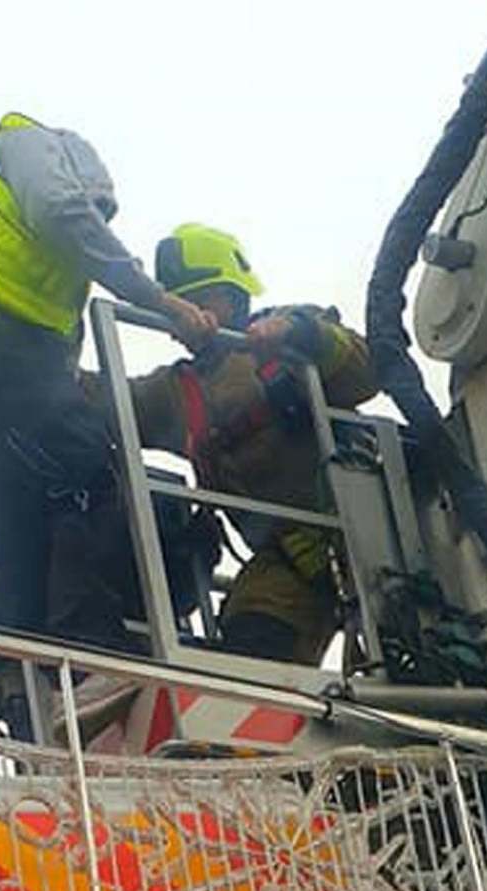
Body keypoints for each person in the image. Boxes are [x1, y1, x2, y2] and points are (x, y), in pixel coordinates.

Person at [0, 113, 217, 737]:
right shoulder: (29, 144)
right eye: (100, 207)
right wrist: (162, 303)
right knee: (88, 466)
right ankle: (96, 662)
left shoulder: (45, 276)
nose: (101, 225)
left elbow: (61, 378)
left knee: (29, 549)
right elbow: (63, 211)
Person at [122, 223, 377, 665]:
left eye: (198, 301)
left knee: (419, 660)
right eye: (175, 307)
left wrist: (300, 333)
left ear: (232, 297)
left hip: (376, 543)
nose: (184, 316)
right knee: (248, 647)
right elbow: (105, 402)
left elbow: (365, 371)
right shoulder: (176, 392)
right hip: (290, 562)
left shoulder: (292, 335)